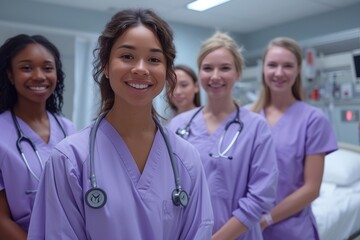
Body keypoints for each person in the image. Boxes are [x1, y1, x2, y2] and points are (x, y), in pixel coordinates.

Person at [27, 8, 214, 240]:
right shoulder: (69, 159)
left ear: (166, 71)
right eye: (127, 56)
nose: (141, 68)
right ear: (105, 66)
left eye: (154, 59)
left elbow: (199, 232)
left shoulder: (186, 159)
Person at [168, 31, 278, 240]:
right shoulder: (178, 126)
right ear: (199, 73)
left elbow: (260, 196)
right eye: (207, 68)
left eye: (225, 68)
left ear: (238, 73)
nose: (215, 76)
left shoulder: (256, 128)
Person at [250, 37, 338, 239]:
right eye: (272, 65)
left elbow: (311, 189)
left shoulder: (313, 120)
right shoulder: (247, 117)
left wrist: (266, 220)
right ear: (263, 69)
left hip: (292, 230)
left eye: (287, 66)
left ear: (298, 69)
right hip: (248, 227)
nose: (279, 73)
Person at [0, 34, 76, 239]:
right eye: (26, 68)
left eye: (47, 68)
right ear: (10, 75)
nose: (39, 76)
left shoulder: (69, 130)